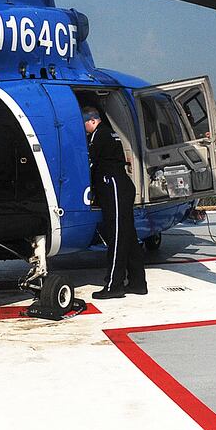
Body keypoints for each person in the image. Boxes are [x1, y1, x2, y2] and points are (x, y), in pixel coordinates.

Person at [83, 103, 146, 299]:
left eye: (84, 123)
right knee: (127, 234)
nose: (83, 128)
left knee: (117, 235)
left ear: (92, 120)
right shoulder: (109, 133)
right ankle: (137, 282)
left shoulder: (99, 136)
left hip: (114, 186)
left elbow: (91, 162)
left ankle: (114, 284)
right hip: (119, 185)